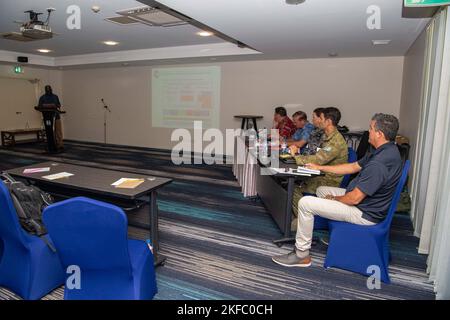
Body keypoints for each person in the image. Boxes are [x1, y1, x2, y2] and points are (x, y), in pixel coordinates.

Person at [272, 113, 402, 268]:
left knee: (305, 203)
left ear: (380, 134)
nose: (369, 132)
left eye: (371, 128)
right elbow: (353, 166)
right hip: (368, 202)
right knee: (321, 190)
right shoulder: (385, 150)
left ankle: (301, 255)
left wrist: (334, 199)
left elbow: (354, 199)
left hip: (364, 212)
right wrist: (320, 167)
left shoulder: (379, 163)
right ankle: (336, 235)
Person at [290, 107, 348, 227]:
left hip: (328, 180)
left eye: (320, 118)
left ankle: (304, 222)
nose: (318, 121)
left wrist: (295, 155)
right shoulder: (326, 137)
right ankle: (299, 217)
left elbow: (318, 159)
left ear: (328, 122)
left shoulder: (335, 141)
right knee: (292, 183)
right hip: (320, 174)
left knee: (293, 188)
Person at [38, 85, 64, 150]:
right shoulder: (42, 97)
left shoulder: (55, 96)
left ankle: (60, 144)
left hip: (56, 117)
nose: (48, 90)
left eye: (49, 89)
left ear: (51, 89)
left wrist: (56, 105)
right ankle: (50, 144)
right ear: (45, 90)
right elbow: (39, 106)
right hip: (47, 118)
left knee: (58, 131)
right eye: (47, 89)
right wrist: (45, 106)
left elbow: (59, 105)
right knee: (49, 131)